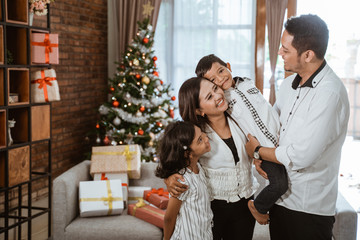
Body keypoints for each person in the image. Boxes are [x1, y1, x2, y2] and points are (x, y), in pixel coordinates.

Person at [245, 14, 350, 240]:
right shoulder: (287, 86)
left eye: (285, 49)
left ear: (308, 55)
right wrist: (258, 157)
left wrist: (257, 151)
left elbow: (302, 155)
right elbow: (270, 129)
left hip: (308, 208)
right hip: (280, 200)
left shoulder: (330, 94)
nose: (279, 53)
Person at [195, 54, 288, 225]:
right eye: (213, 81)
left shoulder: (247, 83)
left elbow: (266, 107)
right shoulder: (223, 101)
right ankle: (258, 207)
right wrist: (257, 156)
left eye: (221, 71)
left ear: (229, 66)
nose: (221, 79)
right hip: (263, 148)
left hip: (281, 139)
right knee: (280, 184)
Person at [166, 77, 259, 240]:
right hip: (212, 207)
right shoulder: (195, 135)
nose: (217, 95)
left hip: (245, 203)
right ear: (198, 110)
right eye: (209, 97)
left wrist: (259, 156)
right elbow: (173, 158)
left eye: (215, 88)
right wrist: (169, 177)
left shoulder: (240, 119)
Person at [155, 121, 213, 240]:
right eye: (200, 140)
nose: (206, 138)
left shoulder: (199, 169)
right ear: (188, 154)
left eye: (203, 134)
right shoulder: (182, 180)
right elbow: (169, 217)